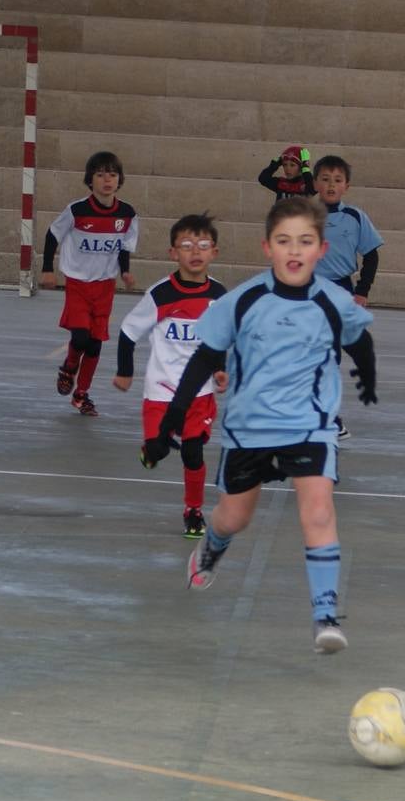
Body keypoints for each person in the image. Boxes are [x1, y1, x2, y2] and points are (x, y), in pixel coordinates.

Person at [144, 197, 377, 655]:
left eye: (305, 241)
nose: (295, 250)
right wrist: (172, 418)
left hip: (311, 426)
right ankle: (212, 546)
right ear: (266, 247)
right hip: (249, 429)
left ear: (321, 249)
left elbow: (360, 337)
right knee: (235, 516)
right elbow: (205, 358)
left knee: (318, 512)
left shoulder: (334, 301)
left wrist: (366, 377)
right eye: (284, 240)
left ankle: (325, 615)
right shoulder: (244, 299)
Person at [112, 212, 228, 539]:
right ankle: (151, 450)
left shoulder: (219, 296)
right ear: (173, 253)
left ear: (214, 253)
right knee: (159, 450)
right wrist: (125, 372)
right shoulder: (161, 295)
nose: (195, 252)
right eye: (187, 245)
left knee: (193, 452)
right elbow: (128, 332)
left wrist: (220, 369)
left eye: (203, 245)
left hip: (200, 393)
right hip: (161, 392)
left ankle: (193, 509)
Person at [40, 151, 139, 417]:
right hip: (78, 284)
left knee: (95, 344)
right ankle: (69, 367)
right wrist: (47, 269)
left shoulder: (127, 214)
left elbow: (124, 247)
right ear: (90, 180)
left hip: (105, 286)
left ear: (119, 180)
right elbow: (52, 235)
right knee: (81, 337)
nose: (107, 180)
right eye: (100, 175)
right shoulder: (77, 210)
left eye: (112, 174)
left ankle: (81, 394)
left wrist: (125, 272)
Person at [313, 154, 384, 440]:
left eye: (338, 180)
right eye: (326, 179)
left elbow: (371, 255)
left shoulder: (355, 217)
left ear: (346, 186)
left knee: (353, 348)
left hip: (341, 290)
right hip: (309, 292)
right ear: (316, 182)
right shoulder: (302, 215)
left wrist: (362, 291)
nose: (331, 185)